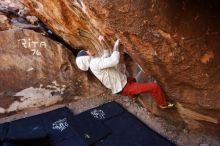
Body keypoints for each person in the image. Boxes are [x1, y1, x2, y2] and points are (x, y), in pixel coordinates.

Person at [75, 35, 174, 109]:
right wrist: (116, 45)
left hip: (122, 85)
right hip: (125, 87)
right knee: (154, 87)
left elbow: (106, 54)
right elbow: (114, 60)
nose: (88, 50)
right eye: (86, 52)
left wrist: (102, 42)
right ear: (86, 57)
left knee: (133, 80)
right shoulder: (94, 63)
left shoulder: (93, 64)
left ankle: (134, 95)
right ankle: (163, 104)